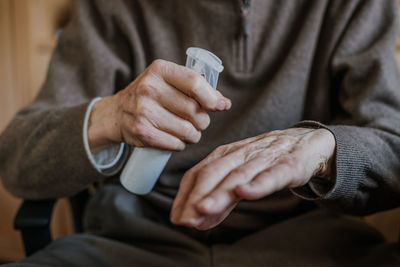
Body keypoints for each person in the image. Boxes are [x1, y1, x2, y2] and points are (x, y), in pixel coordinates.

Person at [1, 0, 400, 266]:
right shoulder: (114, 7)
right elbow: (16, 161)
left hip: (311, 242)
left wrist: (324, 150)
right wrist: (106, 117)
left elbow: (392, 147)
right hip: (132, 240)